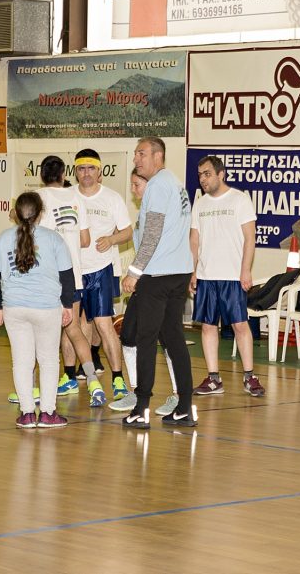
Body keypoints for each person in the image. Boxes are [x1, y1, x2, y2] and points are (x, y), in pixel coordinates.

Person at [120, 137, 195, 429]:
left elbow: (152, 233)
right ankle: (185, 407)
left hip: (159, 275)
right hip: (179, 273)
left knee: (146, 340)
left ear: (158, 156)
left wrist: (134, 271)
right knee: (174, 338)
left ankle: (141, 408)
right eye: (135, 154)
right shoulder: (175, 183)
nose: (136, 159)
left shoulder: (158, 186)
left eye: (141, 153)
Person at [0, 192, 75, 429]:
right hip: (47, 309)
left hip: (14, 308)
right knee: (48, 361)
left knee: (21, 362)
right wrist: (68, 305)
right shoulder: (54, 239)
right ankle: (47, 413)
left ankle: (27, 413)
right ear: (41, 213)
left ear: (15, 214)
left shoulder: (3, 238)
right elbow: (67, 276)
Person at [190, 155, 265, 398]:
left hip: (232, 276)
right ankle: (214, 379)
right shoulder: (199, 204)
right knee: (208, 326)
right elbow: (194, 240)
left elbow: (250, 238)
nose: (203, 179)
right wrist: (193, 270)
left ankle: (250, 376)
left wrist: (245, 269)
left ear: (221, 174)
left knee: (240, 325)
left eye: (207, 174)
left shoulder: (240, 200)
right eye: (200, 175)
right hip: (206, 276)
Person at [109, 167, 180, 416]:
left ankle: (178, 395)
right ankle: (137, 391)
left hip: (161, 282)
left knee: (168, 339)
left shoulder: (161, 212)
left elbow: (154, 246)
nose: (132, 190)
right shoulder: (144, 213)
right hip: (145, 282)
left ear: (151, 187)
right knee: (128, 334)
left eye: (136, 185)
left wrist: (134, 273)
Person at [37, 155, 105, 407]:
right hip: (72, 277)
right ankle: (93, 383)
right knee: (74, 329)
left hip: (46, 279)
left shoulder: (37, 198)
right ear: (64, 174)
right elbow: (85, 240)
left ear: (42, 175)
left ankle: (36, 389)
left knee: (41, 334)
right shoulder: (77, 198)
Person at [73, 149, 133, 400]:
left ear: (100, 172)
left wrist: (111, 239)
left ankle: (118, 379)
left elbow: (127, 231)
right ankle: (81, 370)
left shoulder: (112, 198)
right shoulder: (68, 196)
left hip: (101, 268)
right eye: (81, 168)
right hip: (73, 269)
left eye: (91, 168)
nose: (86, 173)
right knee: (78, 323)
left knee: (103, 323)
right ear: (75, 171)